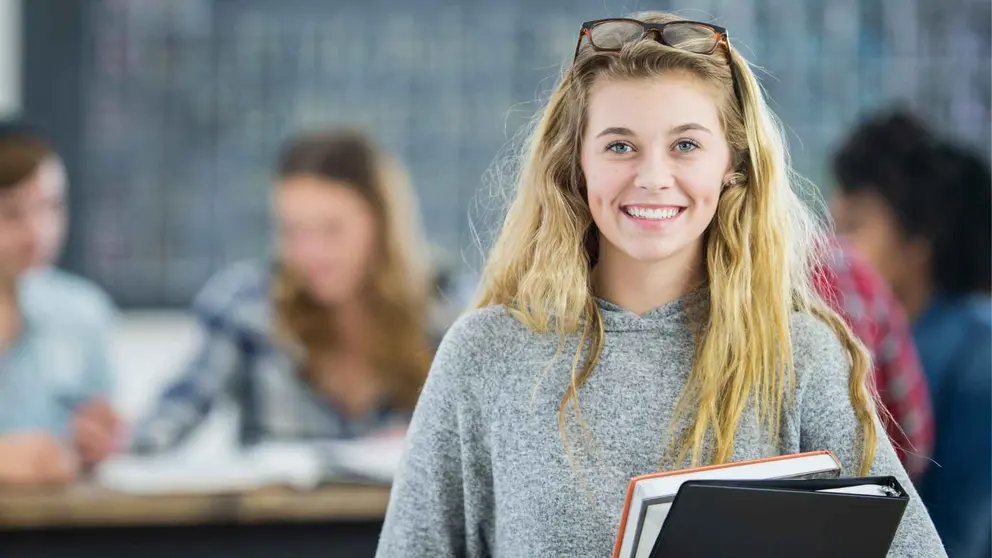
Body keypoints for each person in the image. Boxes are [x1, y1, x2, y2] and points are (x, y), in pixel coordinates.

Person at [376, 12, 944, 557]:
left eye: (686, 145)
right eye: (619, 145)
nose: (652, 177)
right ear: (576, 163)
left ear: (733, 165)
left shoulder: (798, 355)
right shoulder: (485, 354)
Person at [131, 129, 464, 454]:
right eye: (292, 230)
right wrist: (116, 441)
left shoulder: (444, 306)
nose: (310, 252)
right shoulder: (248, 305)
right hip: (278, 510)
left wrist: (434, 447)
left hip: (393, 510)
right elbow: (175, 413)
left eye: (331, 229)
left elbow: (484, 446)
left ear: (381, 225)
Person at [832, 109, 990, 558]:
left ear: (916, 240)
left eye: (854, 226)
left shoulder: (978, 349)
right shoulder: (873, 338)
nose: (837, 248)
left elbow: (962, 534)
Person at [0, 124, 120, 485]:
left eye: (51, 206)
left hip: (56, 530)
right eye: (11, 214)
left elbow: (100, 436)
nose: (39, 232)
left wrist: (94, 445)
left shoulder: (83, 313)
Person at [812, 239, 934, 479]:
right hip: (870, 500)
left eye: (855, 225)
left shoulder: (840, 271)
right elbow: (913, 439)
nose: (842, 234)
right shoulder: (845, 272)